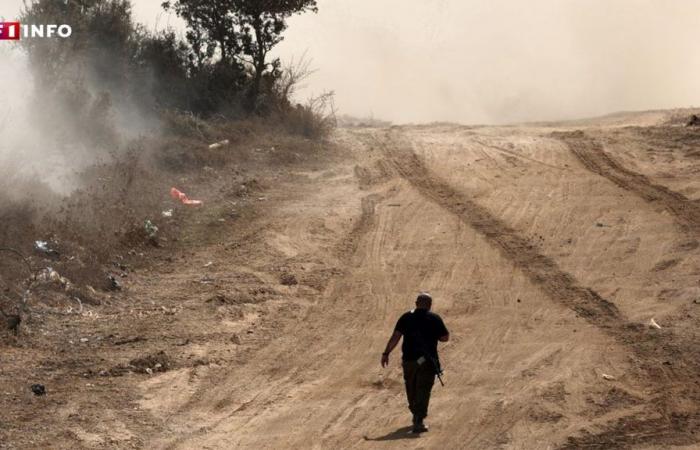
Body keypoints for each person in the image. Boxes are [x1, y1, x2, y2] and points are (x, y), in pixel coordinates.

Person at [381, 292, 449, 433]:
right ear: (429, 305)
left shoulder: (406, 317)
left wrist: (386, 353)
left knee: (411, 387)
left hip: (409, 360)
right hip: (428, 361)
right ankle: (419, 419)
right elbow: (445, 338)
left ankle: (416, 412)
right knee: (423, 389)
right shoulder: (434, 318)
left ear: (416, 303)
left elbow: (396, 337)